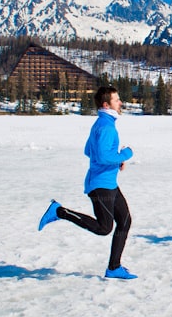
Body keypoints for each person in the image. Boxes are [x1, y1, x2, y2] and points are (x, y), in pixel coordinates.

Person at [38, 86, 137, 279]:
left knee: (124, 221)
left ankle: (114, 268)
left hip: (108, 183)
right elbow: (101, 155)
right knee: (104, 228)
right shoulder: (106, 126)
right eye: (117, 100)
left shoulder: (102, 123)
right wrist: (125, 154)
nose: (121, 103)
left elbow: (88, 151)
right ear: (106, 104)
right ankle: (59, 211)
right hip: (100, 186)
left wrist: (116, 161)